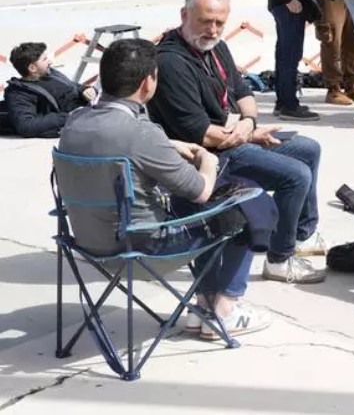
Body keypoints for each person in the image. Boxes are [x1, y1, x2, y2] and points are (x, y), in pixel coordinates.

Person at [58, 39, 271, 339]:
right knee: (247, 205)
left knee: (206, 207)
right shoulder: (142, 133)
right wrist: (206, 159)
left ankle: (202, 306)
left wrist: (169, 145)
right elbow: (200, 190)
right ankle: (224, 307)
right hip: (143, 249)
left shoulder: (75, 121)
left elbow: (113, 142)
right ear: (148, 82)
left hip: (86, 242)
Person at [148, 0, 327, 284]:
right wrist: (250, 135)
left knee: (309, 148)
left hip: (231, 138)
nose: (213, 29)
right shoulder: (170, 61)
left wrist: (249, 121)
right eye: (206, 21)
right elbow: (201, 134)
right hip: (203, 157)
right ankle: (279, 261)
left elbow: (243, 92)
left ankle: (297, 237)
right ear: (184, 15)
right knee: (295, 175)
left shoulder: (215, 47)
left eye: (220, 23)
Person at [4, 41, 94, 138]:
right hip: (78, 121)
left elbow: (72, 85)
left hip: (90, 110)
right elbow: (26, 126)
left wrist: (85, 89)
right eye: (44, 59)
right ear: (32, 68)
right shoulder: (18, 93)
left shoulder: (50, 73)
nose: (50, 62)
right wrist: (68, 116)